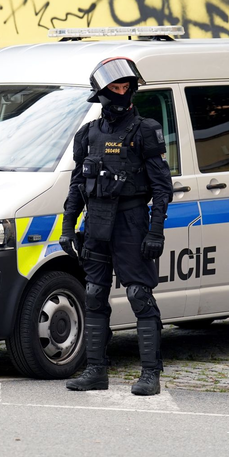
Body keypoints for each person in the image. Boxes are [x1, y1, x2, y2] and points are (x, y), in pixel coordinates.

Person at [60, 58, 172, 395]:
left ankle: (150, 373)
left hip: (131, 220)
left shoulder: (145, 130)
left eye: (126, 87)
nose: (122, 94)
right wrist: (67, 227)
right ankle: (96, 370)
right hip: (96, 222)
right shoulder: (88, 134)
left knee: (140, 295)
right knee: (93, 295)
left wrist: (155, 231)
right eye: (115, 88)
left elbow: (162, 187)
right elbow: (77, 184)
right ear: (102, 93)